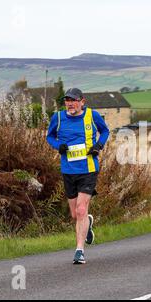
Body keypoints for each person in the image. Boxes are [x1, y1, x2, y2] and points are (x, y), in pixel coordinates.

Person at [46, 88, 110, 264]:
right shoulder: (58, 118)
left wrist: (98, 145)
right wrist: (58, 146)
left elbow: (105, 131)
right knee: (75, 214)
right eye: (67, 100)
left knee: (81, 209)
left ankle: (79, 251)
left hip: (88, 169)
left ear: (82, 101)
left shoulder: (92, 115)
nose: (70, 103)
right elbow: (49, 137)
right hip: (68, 170)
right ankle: (87, 223)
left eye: (73, 100)